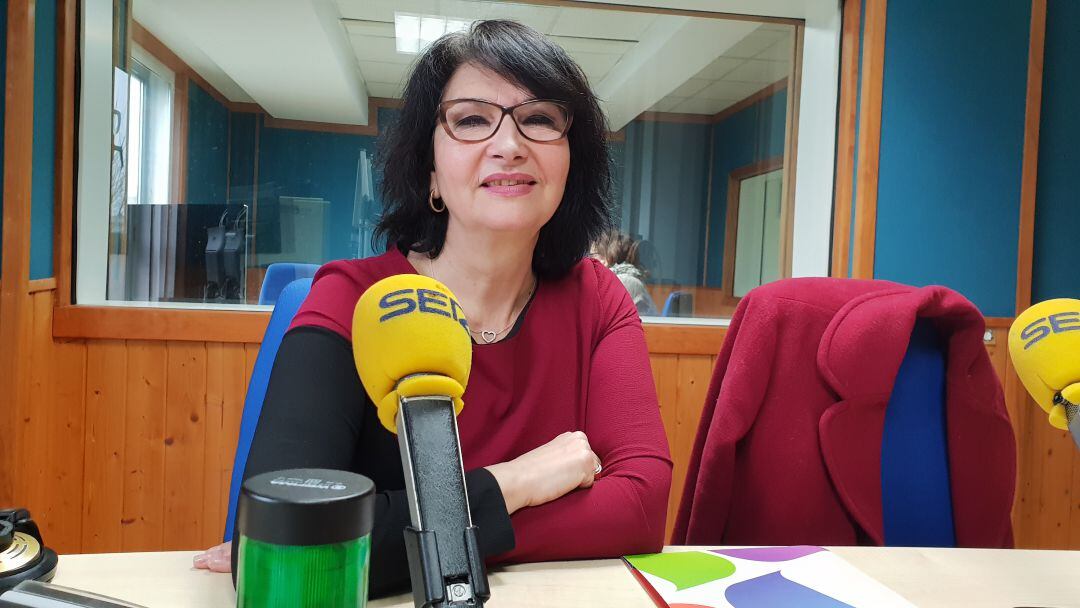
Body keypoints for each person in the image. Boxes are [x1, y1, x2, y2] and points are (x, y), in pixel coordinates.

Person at [193, 20, 672, 597]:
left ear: (571, 166)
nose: (510, 144)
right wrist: (516, 483)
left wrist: (400, 531)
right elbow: (289, 541)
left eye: (540, 119)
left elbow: (641, 509)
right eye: (471, 119)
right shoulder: (349, 298)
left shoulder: (599, 299)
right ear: (430, 174)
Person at [592, 230, 659, 316]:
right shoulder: (625, 280)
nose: (590, 261)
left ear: (606, 259)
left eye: (593, 255)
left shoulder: (624, 281)